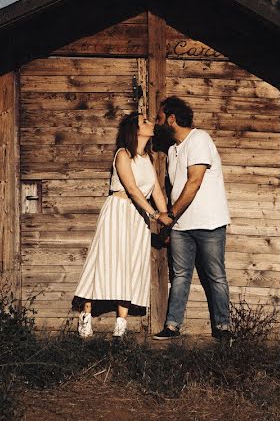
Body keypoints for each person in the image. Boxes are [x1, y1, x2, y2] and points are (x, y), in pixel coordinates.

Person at [74, 112, 168, 338]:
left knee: (131, 263)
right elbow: (133, 190)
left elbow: (155, 190)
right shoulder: (123, 155)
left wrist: (166, 217)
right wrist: (156, 215)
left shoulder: (148, 158)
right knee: (104, 260)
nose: (150, 123)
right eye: (144, 122)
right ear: (135, 130)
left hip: (138, 217)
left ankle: (121, 324)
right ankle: (86, 317)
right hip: (118, 210)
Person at [152, 96, 233, 344]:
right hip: (181, 227)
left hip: (208, 222)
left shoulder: (199, 139)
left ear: (172, 119)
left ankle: (223, 328)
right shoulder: (173, 149)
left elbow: (194, 182)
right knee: (181, 275)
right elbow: (174, 189)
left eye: (160, 117)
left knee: (216, 275)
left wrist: (170, 216)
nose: (157, 123)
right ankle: (172, 326)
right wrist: (171, 223)